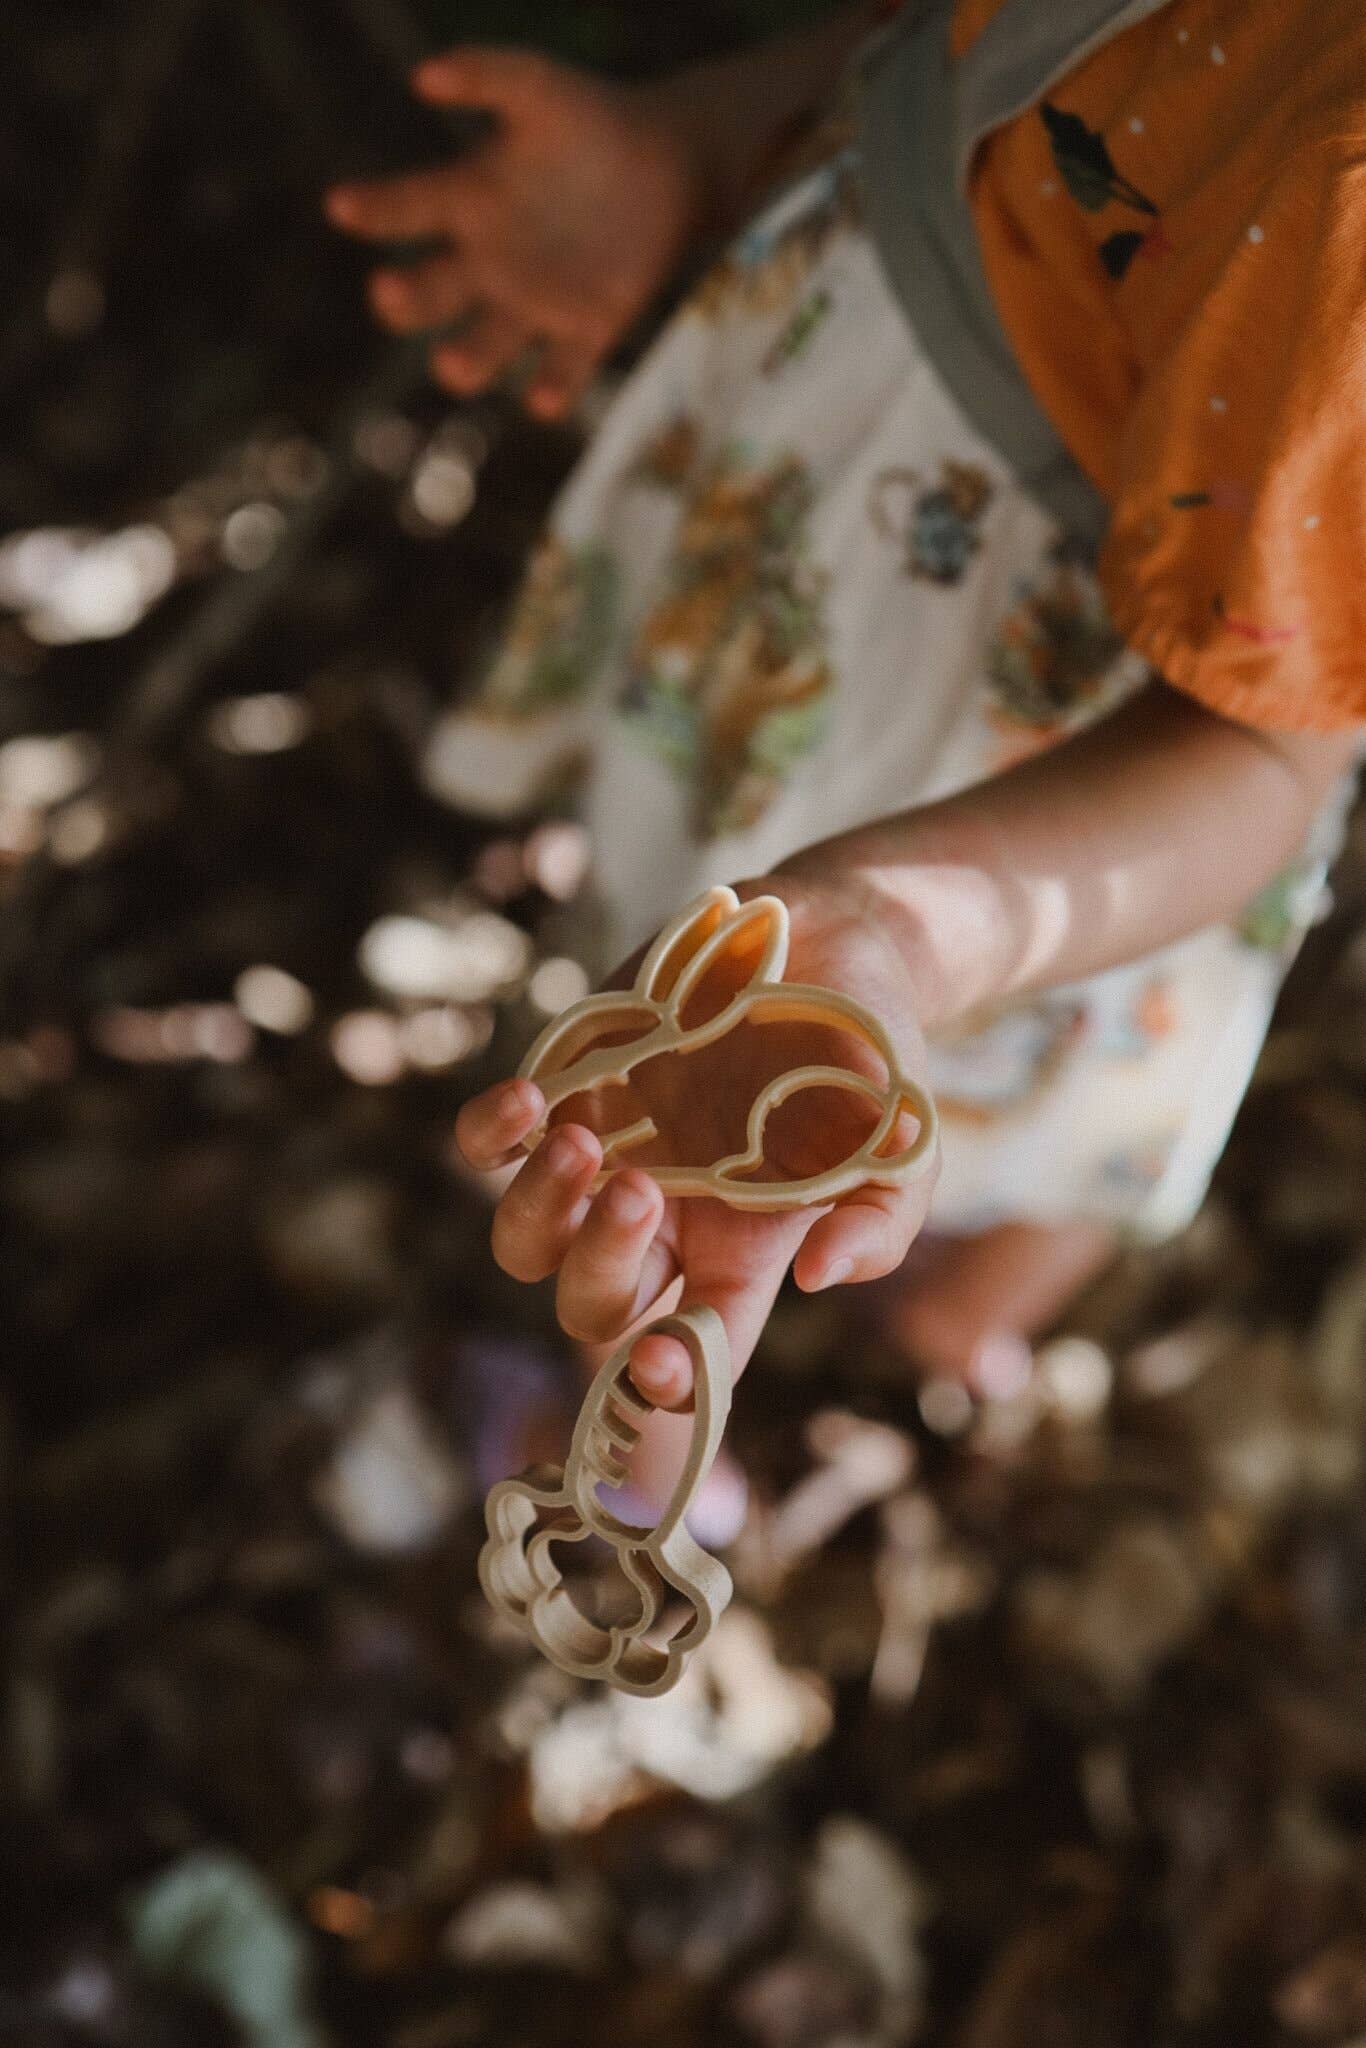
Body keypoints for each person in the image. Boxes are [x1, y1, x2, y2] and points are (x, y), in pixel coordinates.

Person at [326, 1, 1363, 1467]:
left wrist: (895, 926)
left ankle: (954, 1323)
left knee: (897, 1079)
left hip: (1047, 769)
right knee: (721, 1004)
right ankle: (918, 1316)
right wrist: (696, 142)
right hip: (824, 472)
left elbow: (1267, 745)